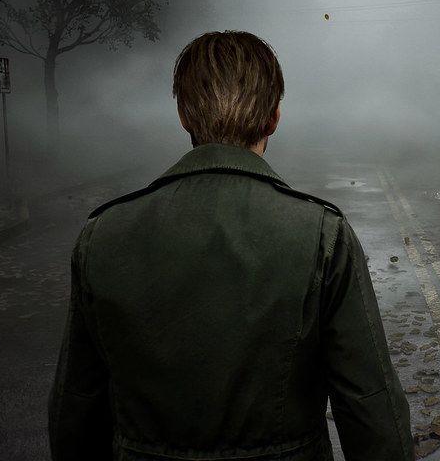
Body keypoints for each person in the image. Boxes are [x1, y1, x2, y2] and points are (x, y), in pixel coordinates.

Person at [48, 31, 413, 460]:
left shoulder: (103, 234)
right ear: (274, 117)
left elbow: (76, 410)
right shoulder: (321, 234)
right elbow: (371, 409)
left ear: (183, 115)